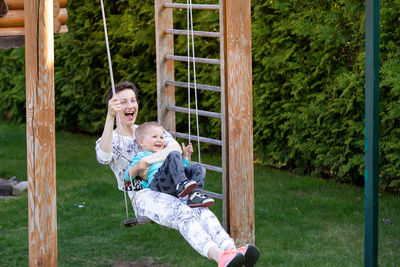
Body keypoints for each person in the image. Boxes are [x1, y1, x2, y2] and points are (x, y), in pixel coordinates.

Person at [95, 81, 259, 266]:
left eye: (133, 100)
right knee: (182, 213)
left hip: (171, 185)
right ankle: (220, 257)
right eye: (123, 102)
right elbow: (103, 156)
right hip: (144, 195)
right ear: (114, 106)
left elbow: (173, 147)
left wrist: (149, 160)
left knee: (199, 208)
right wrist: (110, 117)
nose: (130, 105)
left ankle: (231, 249)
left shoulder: (148, 130)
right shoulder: (111, 139)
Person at [123, 121, 214, 208]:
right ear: (141, 142)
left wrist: (185, 155)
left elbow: (182, 168)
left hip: (174, 184)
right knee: (174, 154)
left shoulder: (165, 152)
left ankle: (194, 196)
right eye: (154, 137)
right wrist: (137, 167)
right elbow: (127, 177)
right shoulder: (141, 156)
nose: (159, 140)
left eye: (161, 137)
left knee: (199, 167)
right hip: (158, 183)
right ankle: (181, 184)